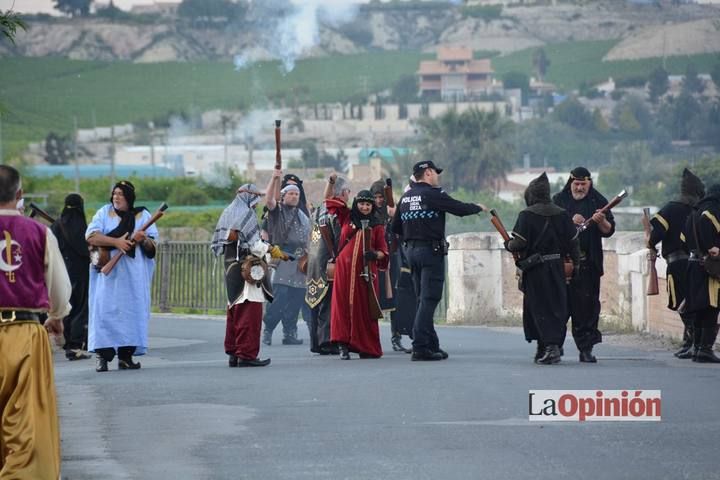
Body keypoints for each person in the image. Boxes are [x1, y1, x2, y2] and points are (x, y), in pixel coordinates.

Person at [0, 164, 71, 479]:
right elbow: (60, 288)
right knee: (28, 422)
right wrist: (56, 316)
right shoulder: (40, 232)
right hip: (27, 334)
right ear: (19, 194)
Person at [391, 161, 485, 361]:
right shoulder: (433, 194)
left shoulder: (405, 197)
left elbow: (395, 227)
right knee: (429, 299)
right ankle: (420, 347)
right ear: (428, 173)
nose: (437, 177)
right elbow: (458, 208)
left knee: (421, 300)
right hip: (430, 253)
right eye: (435, 173)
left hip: (411, 253)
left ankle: (431, 344)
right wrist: (477, 207)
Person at [505, 173, 579, 364]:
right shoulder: (562, 214)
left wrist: (508, 244)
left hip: (536, 269)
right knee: (555, 307)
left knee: (538, 307)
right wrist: (576, 265)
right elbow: (573, 243)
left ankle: (551, 348)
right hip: (556, 267)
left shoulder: (526, 215)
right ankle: (545, 346)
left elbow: (518, 244)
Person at [86, 180, 158, 372]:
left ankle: (126, 357)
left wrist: (143, 241)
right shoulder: (104, 212)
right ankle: (102, 356)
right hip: (108, 276)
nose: (116, 197)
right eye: (115, 193)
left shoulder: (143, 215)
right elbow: (91, 236)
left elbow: (153, 247)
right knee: (104, 312)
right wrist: (116, 242)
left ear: (129, 198)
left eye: (121, 194)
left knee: (131, 312)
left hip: (133, 276)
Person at [211, 183, 286, 367]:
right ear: (249, 197)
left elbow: (221, 243)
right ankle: (246, 355)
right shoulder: (246, 214)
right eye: (256, 199)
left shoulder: (227, 212)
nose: (257, 203)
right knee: (249, 313)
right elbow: (255, 247)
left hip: (230, 269)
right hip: (248, 270)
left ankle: (234, 353)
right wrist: (274, 251)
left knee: (235, 311)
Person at [552, 167, 615, 363]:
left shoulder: (599, 201)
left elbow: (609, 231)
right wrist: (569, 222)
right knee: (559, 307)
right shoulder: (558, 201)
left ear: (589, 183)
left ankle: (586, 348)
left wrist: (601, 221)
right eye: (576, 184)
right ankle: (555, 346)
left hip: (588, 265)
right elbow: (550, 229)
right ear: (570, 183)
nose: (579, 188)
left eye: (583, 184)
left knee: (587, 309)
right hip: (563, 264)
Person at [648, 168, 705, 358]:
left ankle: (693, 340)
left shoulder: (671, 208)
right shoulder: (701, 210)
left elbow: (655, 235)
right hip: (698, 264)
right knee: (691, 302)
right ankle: (689, 341)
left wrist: (649, 240)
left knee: (682, 302)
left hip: (678, 263)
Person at [330, 190, 388, 360]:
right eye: (361, 203)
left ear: (372, 207)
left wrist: (374, 255)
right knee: (342, 306)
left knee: (364, 308)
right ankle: (343, 345)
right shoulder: (347, 217)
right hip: (344, 271)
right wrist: (332, 183)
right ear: (356, 204)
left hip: (366, 272)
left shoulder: (377, 225)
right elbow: (330, 202)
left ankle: (365, 346)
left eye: (368, 204)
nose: (364, 207)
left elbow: (383, 251)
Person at [262, 169, 311, 346]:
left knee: (296, 300)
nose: (294, 196)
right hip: (281, 259)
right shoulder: (277, 211)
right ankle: (268, 330)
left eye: (296, 193)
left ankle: (289, 332)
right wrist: (274, 178)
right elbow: (268, 200)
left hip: (299, 262)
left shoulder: (303, 216)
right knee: (278, 299)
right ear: (283, 196)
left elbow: (309, 238)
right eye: (290, 193)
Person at [305, 174, 351, 355]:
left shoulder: (318, 209)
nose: (348, 195)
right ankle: (326, 341)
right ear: (341, 192)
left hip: (314, 262)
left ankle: (316, 343)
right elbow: (340, 237)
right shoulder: (335, 211)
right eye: (347, 191)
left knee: (316, 303)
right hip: (328, 262)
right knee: (329, 303)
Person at [370, 179, 412, 353]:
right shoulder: (367, 213)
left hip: (393, 260)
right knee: (371, 301)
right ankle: (370, 340)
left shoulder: (393, 212)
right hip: (374, 261)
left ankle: (396, 338)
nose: (379, 200)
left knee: (396, 301)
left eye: (382, 197)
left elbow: (403, 231)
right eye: (376, 197)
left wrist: (394, 216)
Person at [682, 183, 720, 363]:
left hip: (693, 265)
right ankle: (705, 348)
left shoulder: (693, 213)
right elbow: (714, 245)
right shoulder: (712, 213)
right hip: (709, 268)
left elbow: (683, 240)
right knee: (711, 308)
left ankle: (697, 347)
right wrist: (712, 248)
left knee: (698, 309)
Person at [51, 193, 91, 361]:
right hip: (80, 273)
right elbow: (86, 250)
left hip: (62, 273)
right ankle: (76, 345)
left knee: (67, 306)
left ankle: (66, 341)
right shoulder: (83, 227)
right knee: (80, 308)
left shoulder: (56, 225)